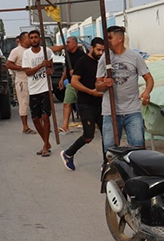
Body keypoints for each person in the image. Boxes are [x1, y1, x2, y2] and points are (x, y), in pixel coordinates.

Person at [100, 25, 154, 150]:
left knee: (138, 147)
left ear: (120, 39)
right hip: (110, 111)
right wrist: (104, 84)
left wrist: (146, 92)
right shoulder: (105, 58)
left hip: (132, 111)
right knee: (110, 150)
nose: (107, 41)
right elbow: (97, 85)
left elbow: (149, 78)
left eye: (110, 38)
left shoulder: (134, 57)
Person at [61, 37, 106, 171]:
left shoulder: (102, 62)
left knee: (107, 135)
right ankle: (68, 153)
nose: (100, 53)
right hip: (86, 104)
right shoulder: (83, 62)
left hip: (102, 104)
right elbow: (74, 81)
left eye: (103, 50)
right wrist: (91, 92)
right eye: (98, 50)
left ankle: (107, 162)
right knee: (88, 136)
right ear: (91, 48)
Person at [8, 30, 54, 155]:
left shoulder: (46, 51)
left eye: (36, 37)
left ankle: (45, 146)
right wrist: (41, 66)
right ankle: (46, 142)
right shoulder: (26, 54)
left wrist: (50, 70)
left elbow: (51, 65)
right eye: (31, 38)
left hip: (45, 88)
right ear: (29, 39)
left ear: (40, 39)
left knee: (45, 116)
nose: (34, 40)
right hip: (33, 89)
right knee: (35, 119)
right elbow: (28, 72)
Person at [52, 36, 86, 134]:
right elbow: (67, 68)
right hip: (71, 83)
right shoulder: (67, 55)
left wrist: (76, 72)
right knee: (67, 103)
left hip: (81, 83)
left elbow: (85, 69)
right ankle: (65, 126)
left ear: (75, 44)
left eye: (68, 42)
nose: (66, 44)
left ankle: (88, 124)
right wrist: (62, 79)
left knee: (83, 105)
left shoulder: (81, 55)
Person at [6, 34, 33, 134]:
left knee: (36, 103)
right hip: (22, 81)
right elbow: (8, 64)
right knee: (24, 103)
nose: (30, 40)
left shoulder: (33, 50)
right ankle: (25, 127)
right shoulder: (16, 51)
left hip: (34, 81)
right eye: (28, 38)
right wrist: (22, 68)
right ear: (22, 40)